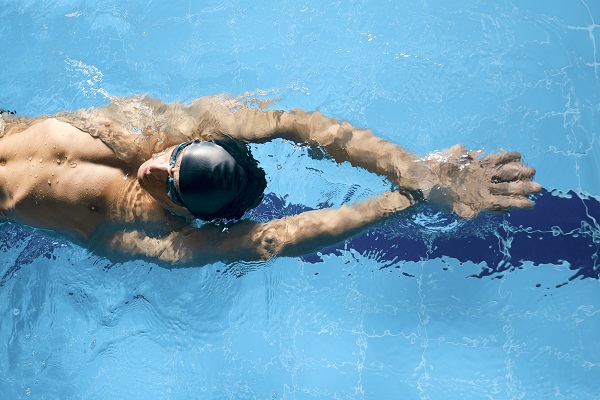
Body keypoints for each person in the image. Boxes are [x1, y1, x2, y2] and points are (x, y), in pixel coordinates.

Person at [0, 95, 541, 267]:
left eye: (174, 184)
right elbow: (294, 123)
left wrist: (408, 200)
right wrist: (413, 169)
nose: (156, 169)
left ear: (189, 212)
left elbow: (275, 238)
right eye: (174, 159)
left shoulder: (160, 235)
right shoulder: (163, 129)